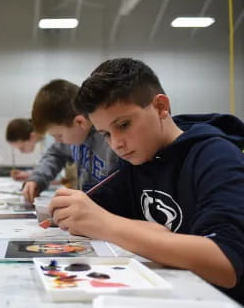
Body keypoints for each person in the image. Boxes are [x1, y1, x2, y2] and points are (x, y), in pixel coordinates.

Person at [49, 58, 244, 304]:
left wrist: (106, 224)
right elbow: (91, 211)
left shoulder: (216, 156)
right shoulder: (136, 162)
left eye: (124, 124)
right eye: (106, 134)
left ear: (161, 106)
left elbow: (225, 263)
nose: (116, 144)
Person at [23, 79, 119, 202]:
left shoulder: (111, 142)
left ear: (80, 122)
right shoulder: (76, 136)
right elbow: (55, 154)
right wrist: (36, 179)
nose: (58, 141)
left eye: (59, 135)